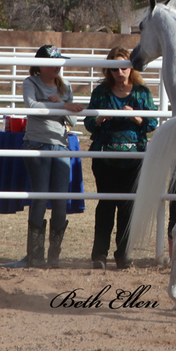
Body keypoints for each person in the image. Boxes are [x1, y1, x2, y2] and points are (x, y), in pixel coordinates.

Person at [84, 47, 157, 270]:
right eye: (114, 68)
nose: (119, 71)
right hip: (105, 157)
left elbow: (153, 124)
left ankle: (123, 254)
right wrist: (100, 118)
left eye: (123, 67)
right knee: (105, 206)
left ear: (130, 68)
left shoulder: (142, 93)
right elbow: (87, 123)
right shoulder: (101, 93)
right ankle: (99, 255)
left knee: (128, 206)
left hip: (134, 159)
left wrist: (136, 117)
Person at [21, 45, 85, 268]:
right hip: (37, 142)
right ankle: (35, 255)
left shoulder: (64, 86)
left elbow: (74, 120)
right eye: (52, 62)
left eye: (59, 62)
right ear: (40, 64)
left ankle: (54, 256)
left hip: (60, 144)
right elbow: (31, 106)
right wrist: (62, 106)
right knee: (40, 197)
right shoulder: (31, 82)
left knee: (60, 201)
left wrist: (62, 106)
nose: (57, 66)